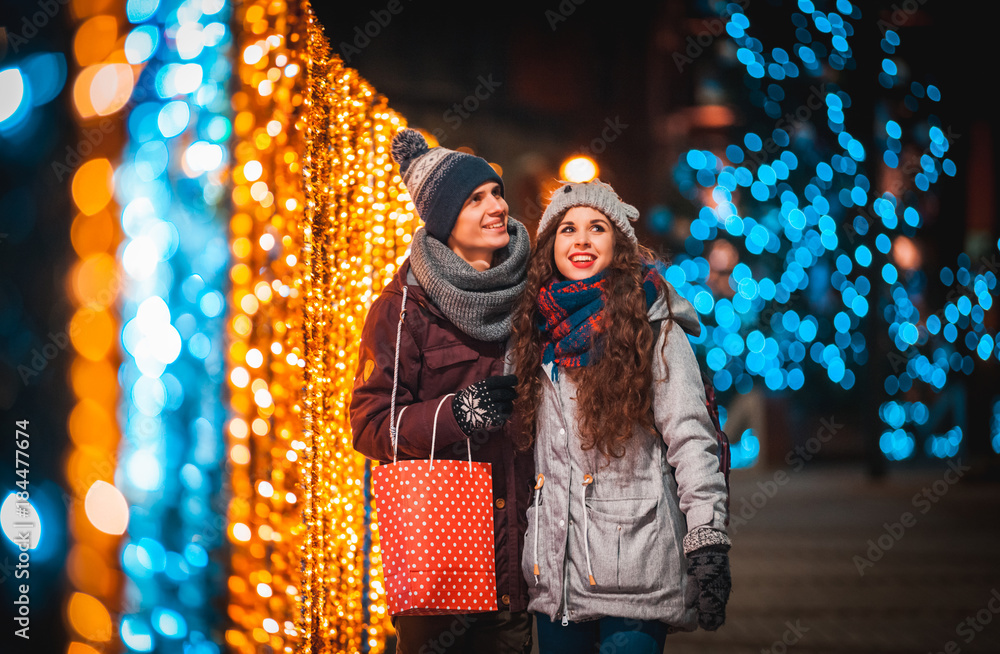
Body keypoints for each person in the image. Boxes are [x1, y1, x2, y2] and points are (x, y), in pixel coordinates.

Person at [509, 179, 732, 653]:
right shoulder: (534, 333)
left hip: (636, 572)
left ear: (619, 244)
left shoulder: (654, 327)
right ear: (551, 245)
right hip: (558, 582)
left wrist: (707, 538)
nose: (582, 240)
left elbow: (692, 439)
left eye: (597, 228)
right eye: (568, 229)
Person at [350, 128, 534, 653]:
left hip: (517, 563)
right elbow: (368, 422)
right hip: (440, 558)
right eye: (475, 199)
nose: (496, 206)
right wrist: (458, 414)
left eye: (496, 192)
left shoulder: (531, 293)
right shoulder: (404, 305)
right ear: (445, 221)